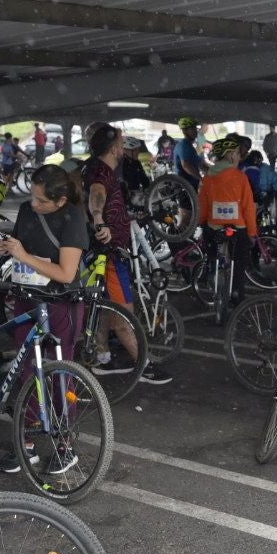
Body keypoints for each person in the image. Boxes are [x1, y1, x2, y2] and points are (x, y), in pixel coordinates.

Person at [0, 165, 88, 473]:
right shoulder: (26, 210)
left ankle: (66, 443)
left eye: (41, 201)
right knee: (27, 372)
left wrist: (22, 255)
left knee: (61, 375)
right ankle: (29, 440)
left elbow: (66, 273)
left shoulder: (72, 217)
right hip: (27, 301)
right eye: (32, 197)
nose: (34, 205)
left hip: (60, 305)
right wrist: (10, 248)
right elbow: (23, 248)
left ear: (60, 200)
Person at [82, 124, 168, 384]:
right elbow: (97, 197)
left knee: (108, 308)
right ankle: (143, 365)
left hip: (107, 252)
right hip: (110, 254)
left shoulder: (100, 168)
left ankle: (103, 358)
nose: (123, 146)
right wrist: (99, 219)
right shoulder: (101, 172)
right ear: (113, 147)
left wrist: (126, 216)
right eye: (120, 141)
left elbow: (107, 202)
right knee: (124, 315)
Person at [196, 133, 258, 308]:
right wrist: (252, 233)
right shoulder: (240, 177)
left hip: (214, 228)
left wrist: (202, 222)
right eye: (238, 153)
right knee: (239, 261)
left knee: (212, 252)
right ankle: (237, 294)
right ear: (231, 155)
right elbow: (248, 207)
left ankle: (211, 275)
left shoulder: (208, 178)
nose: (239, 157)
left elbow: (203, 205)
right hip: (237, 228)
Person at [173, 117, 205, 188]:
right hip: (184, 186)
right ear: (185, 131)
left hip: (192, 184)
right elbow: (186, 165)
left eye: (195, 128)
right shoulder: (183, 144)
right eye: (192, 128)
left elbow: (201, 164)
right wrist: (201, 179)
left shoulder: (193, 145)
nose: (195, 131)